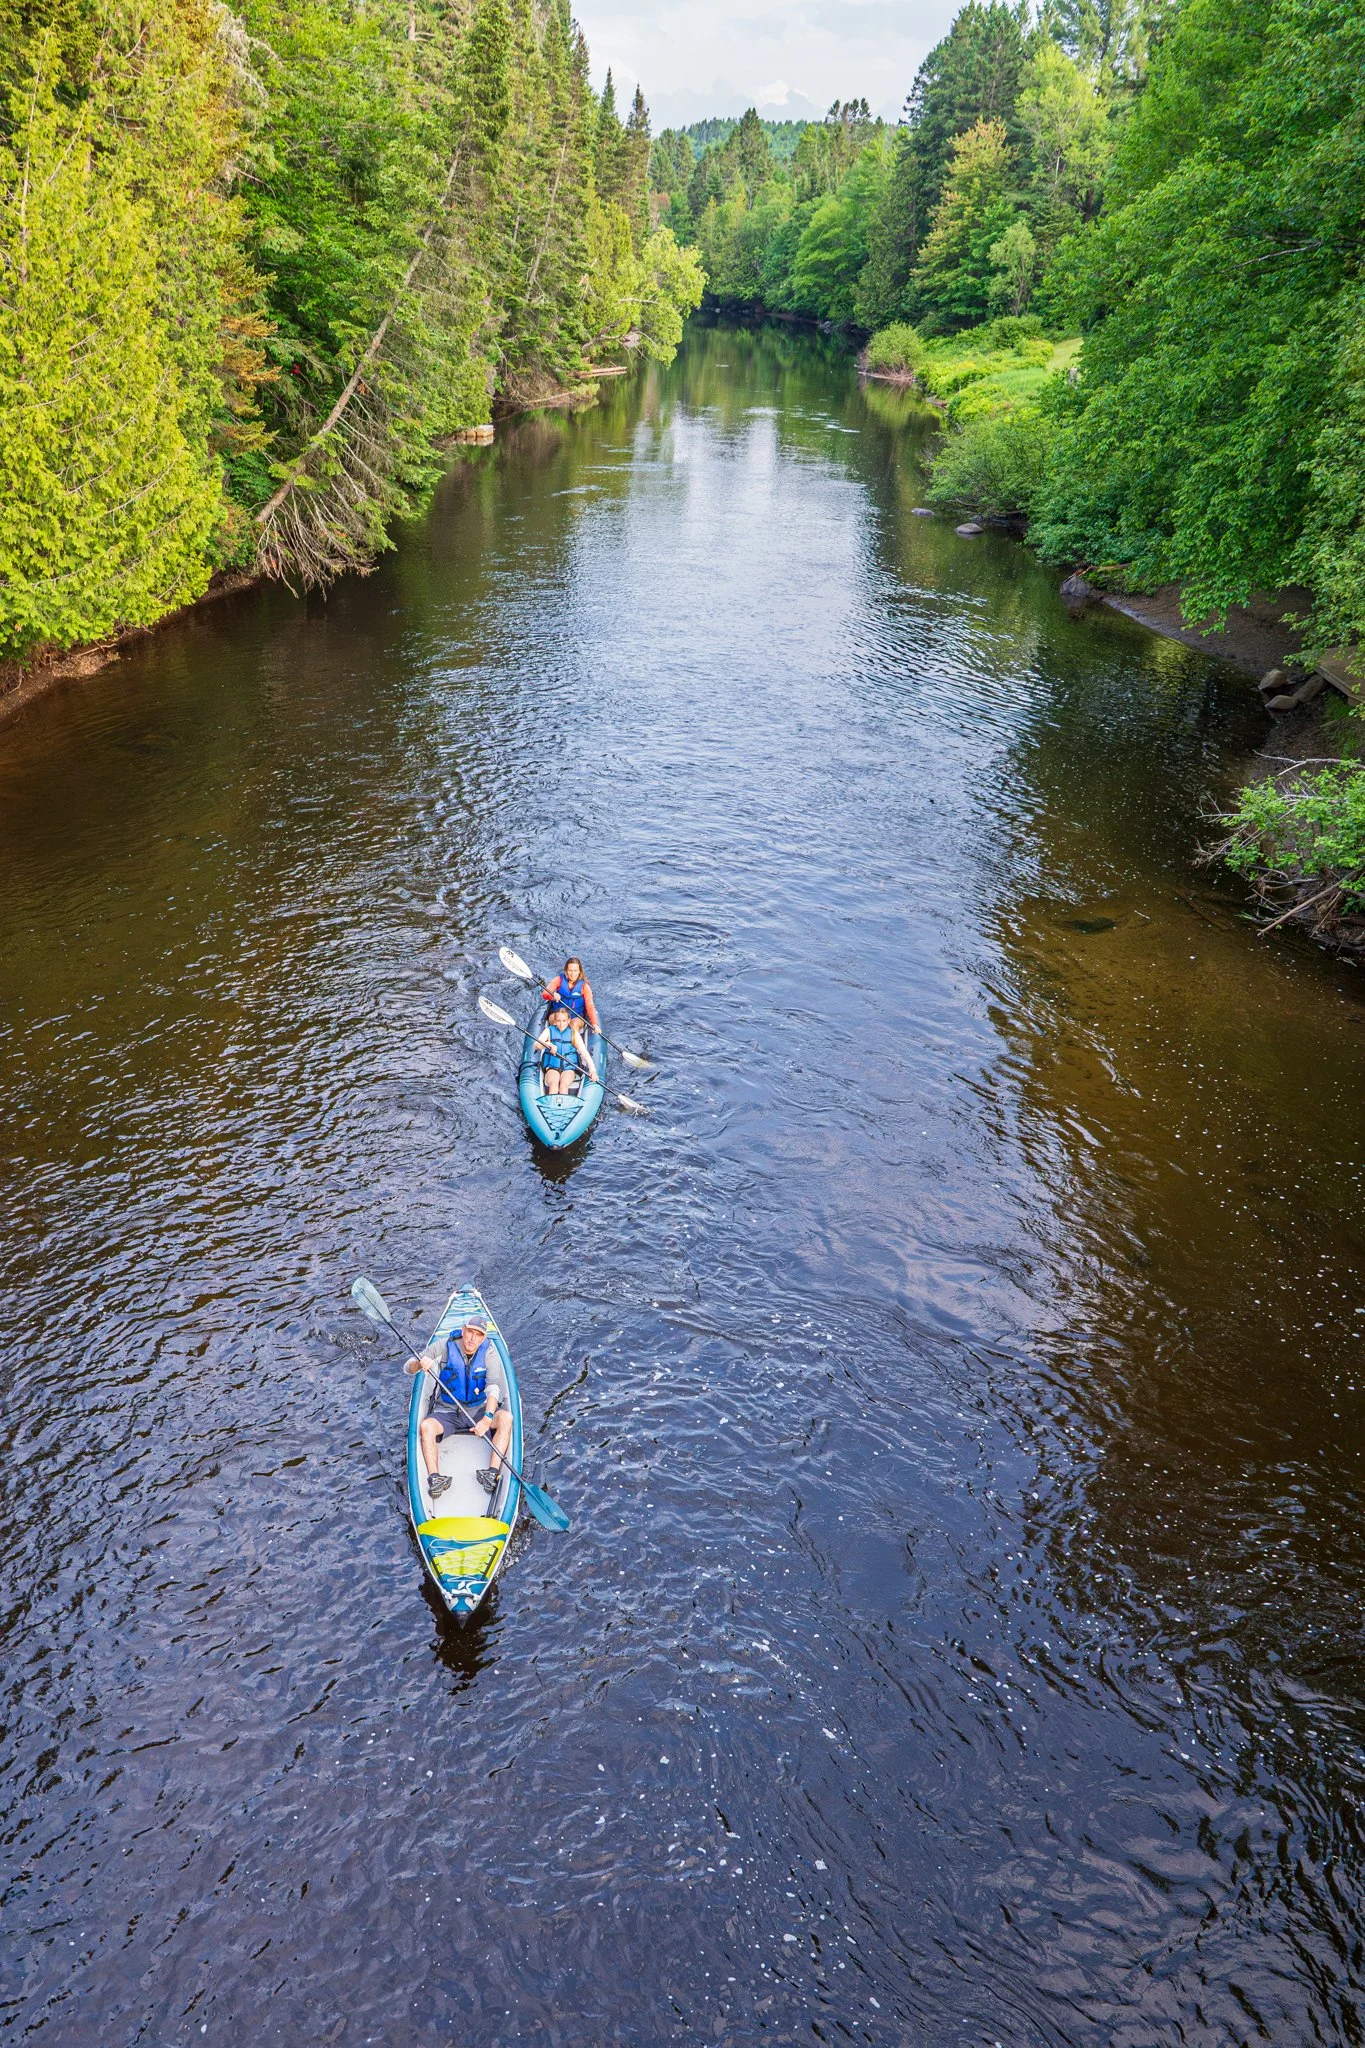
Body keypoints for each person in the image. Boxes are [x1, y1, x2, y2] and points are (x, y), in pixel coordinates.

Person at [406, 1317, 513, 1503]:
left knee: (505, 1418)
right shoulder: (445, 1345)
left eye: (478, 1335)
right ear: (463, 1330)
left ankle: (492, 1473)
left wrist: (487, 1418)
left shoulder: (489, 1352)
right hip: (448, 1411)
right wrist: (419, 1364)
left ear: (483, 1338)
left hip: (478, 1411)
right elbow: (408, 1368)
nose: (472, 1338)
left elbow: (493, 1388)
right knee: (426, 1427)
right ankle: (435, 1478)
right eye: (470, 1332)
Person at [533, 1001, 599, 1097]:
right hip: (552, 1067)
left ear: (568, 1021)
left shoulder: (574, 1034)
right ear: (555, 1021)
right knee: (554, 1085)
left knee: (563, 1085)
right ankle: (551, 1106)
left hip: (568, 1067)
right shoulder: (549, 1030)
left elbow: (585, 1053)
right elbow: (536, 1045)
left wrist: (593, 1071)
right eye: (558, 1021)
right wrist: (548, 1044)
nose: (561, 1024)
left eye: (564, 1021)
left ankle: (563, 1109)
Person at [541, 956, 600, 1033]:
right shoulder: (558, 980)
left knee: (574, 1025)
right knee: (554, 1020)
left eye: (575, 971)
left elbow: (590, 1006)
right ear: (566, 971)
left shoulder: (584, 986)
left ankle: (575, 1042)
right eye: (570, 970)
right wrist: (552, 995)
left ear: (579, 972)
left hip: (576, 1016)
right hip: (559, 1014)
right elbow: (545, 994)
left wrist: (595, 1024)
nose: (572, 974)